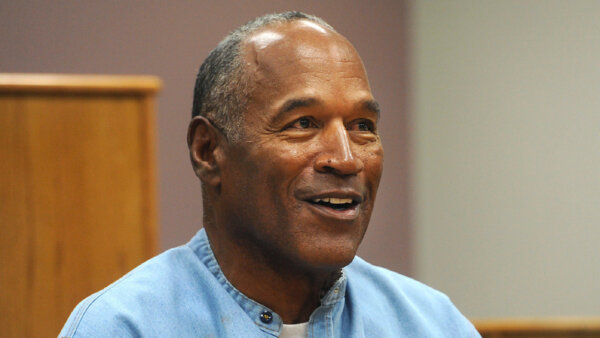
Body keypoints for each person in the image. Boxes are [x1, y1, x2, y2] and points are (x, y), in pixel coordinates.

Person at [60, 11, 479, 337]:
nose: (347, 159)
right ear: (208, 151)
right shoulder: (124, 327)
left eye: (363, 126)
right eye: (303, 123)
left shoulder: (431, 324)